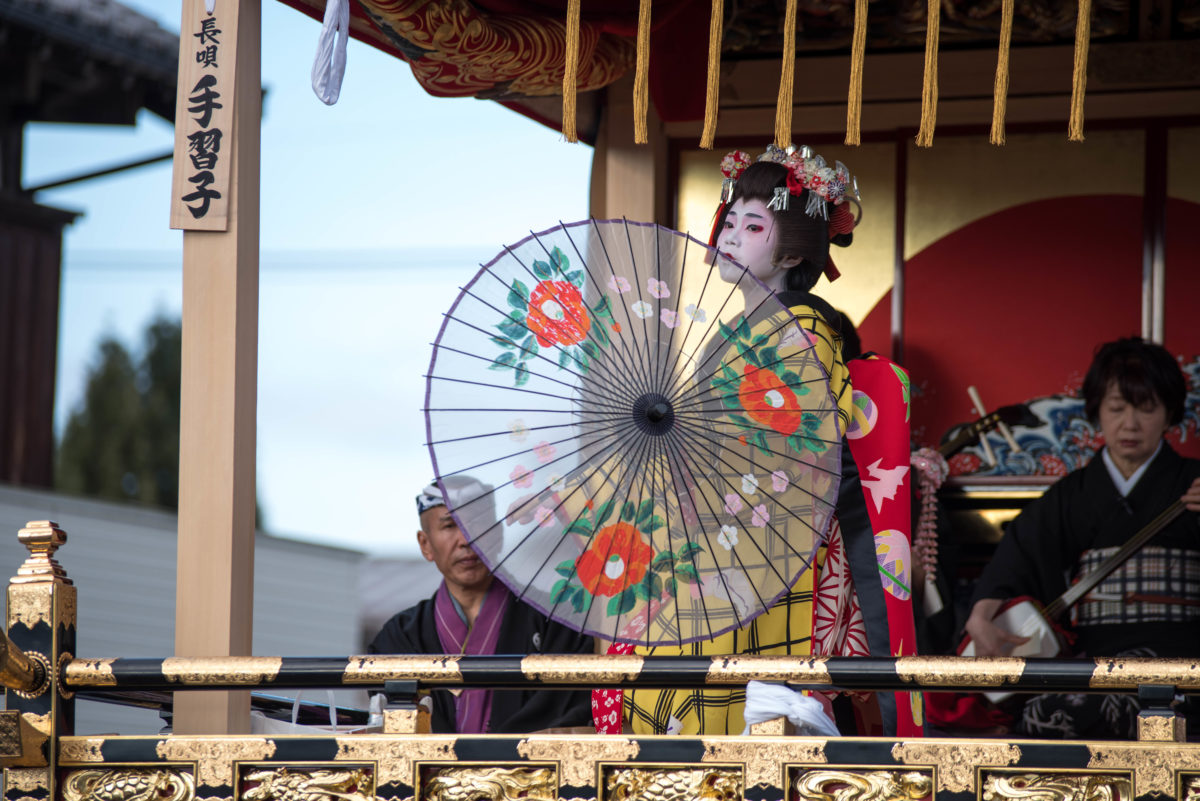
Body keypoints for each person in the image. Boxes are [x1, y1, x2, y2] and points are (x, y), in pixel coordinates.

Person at [620, 147, 918, 737]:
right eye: (728, 222)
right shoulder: (735, 331)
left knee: (760, 715)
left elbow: (796, 438)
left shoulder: (807, 325)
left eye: (752, 226)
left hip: (775, 547)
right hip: (724, 540)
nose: (730, 235)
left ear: (793, 251)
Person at [965, 337, 1200, 738]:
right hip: (1093, 660)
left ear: (1169, 415)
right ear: (1097, 411)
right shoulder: (1071, 495)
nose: (1130, 423)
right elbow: (1015, 560)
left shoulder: (1191, 483)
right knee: (1046, 714)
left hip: (1184, 660)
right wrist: (981, 614)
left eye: (1146, 409)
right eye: (1116, 408)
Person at [369, 476, 595, 734]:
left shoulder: (554, 620)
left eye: (476, 525)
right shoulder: (398, 638)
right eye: (450, 525)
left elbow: (568, 712)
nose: (465, 539)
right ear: (425, 544)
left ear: (497, 533)